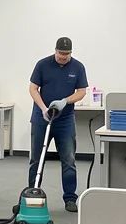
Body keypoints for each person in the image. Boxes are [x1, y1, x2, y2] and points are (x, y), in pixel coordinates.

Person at [28, 37, 87, 213]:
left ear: (71, 53)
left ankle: (70, 198)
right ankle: (32, 193)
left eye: (66, 54)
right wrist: (44, 108)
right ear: (55, 50)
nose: (63, 57)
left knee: (68, 159)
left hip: (65, 119)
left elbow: (82, 91)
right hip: (42, 118)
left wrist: (65, 101)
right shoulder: (42, 64)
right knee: (36, 159)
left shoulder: (78, 67)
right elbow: (32, 88)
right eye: (61, 53)